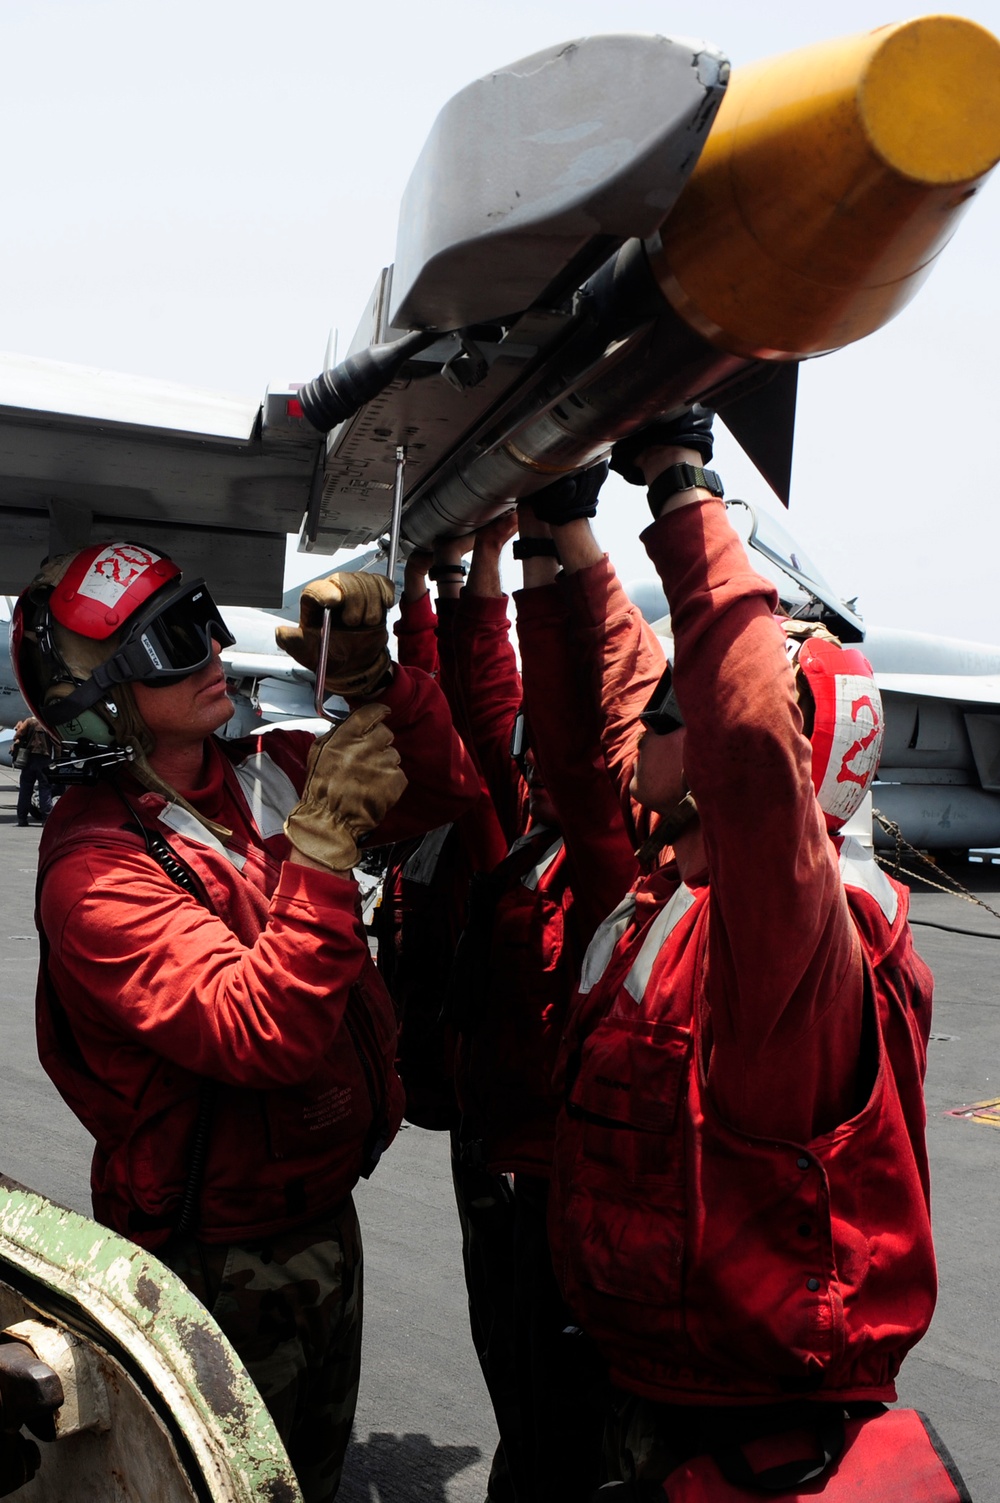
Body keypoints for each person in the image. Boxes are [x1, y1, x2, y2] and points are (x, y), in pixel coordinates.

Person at [13, 539, 479, 1502]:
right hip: (214, 1256)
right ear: (108, 695)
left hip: (317, 1216)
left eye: (204, 622)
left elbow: (439, 790)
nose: (214, 652)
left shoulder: (254, 774)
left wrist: (378, 679)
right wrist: (320, 853)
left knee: (310, 1474)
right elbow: (263, 1030)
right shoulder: (95, 876)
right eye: (178, 643)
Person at [543, 414, 946, 1496]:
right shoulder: (681, 889)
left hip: (740, 1425)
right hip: (660, 1384)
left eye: (688, 704)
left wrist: (683, 490)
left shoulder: (787, 940)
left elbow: (746, 749)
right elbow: (633, 702)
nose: (648, 718)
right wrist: (565, 546)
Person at [12, 714, 53, 826]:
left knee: (25, 790)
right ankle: (46, 819)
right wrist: (58, 760)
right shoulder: (49, 721)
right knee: (45, 788)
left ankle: (22, 819)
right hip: (44, 759)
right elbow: (57, 743)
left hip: (29, 760)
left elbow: (18, 735)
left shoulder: (30, 721)